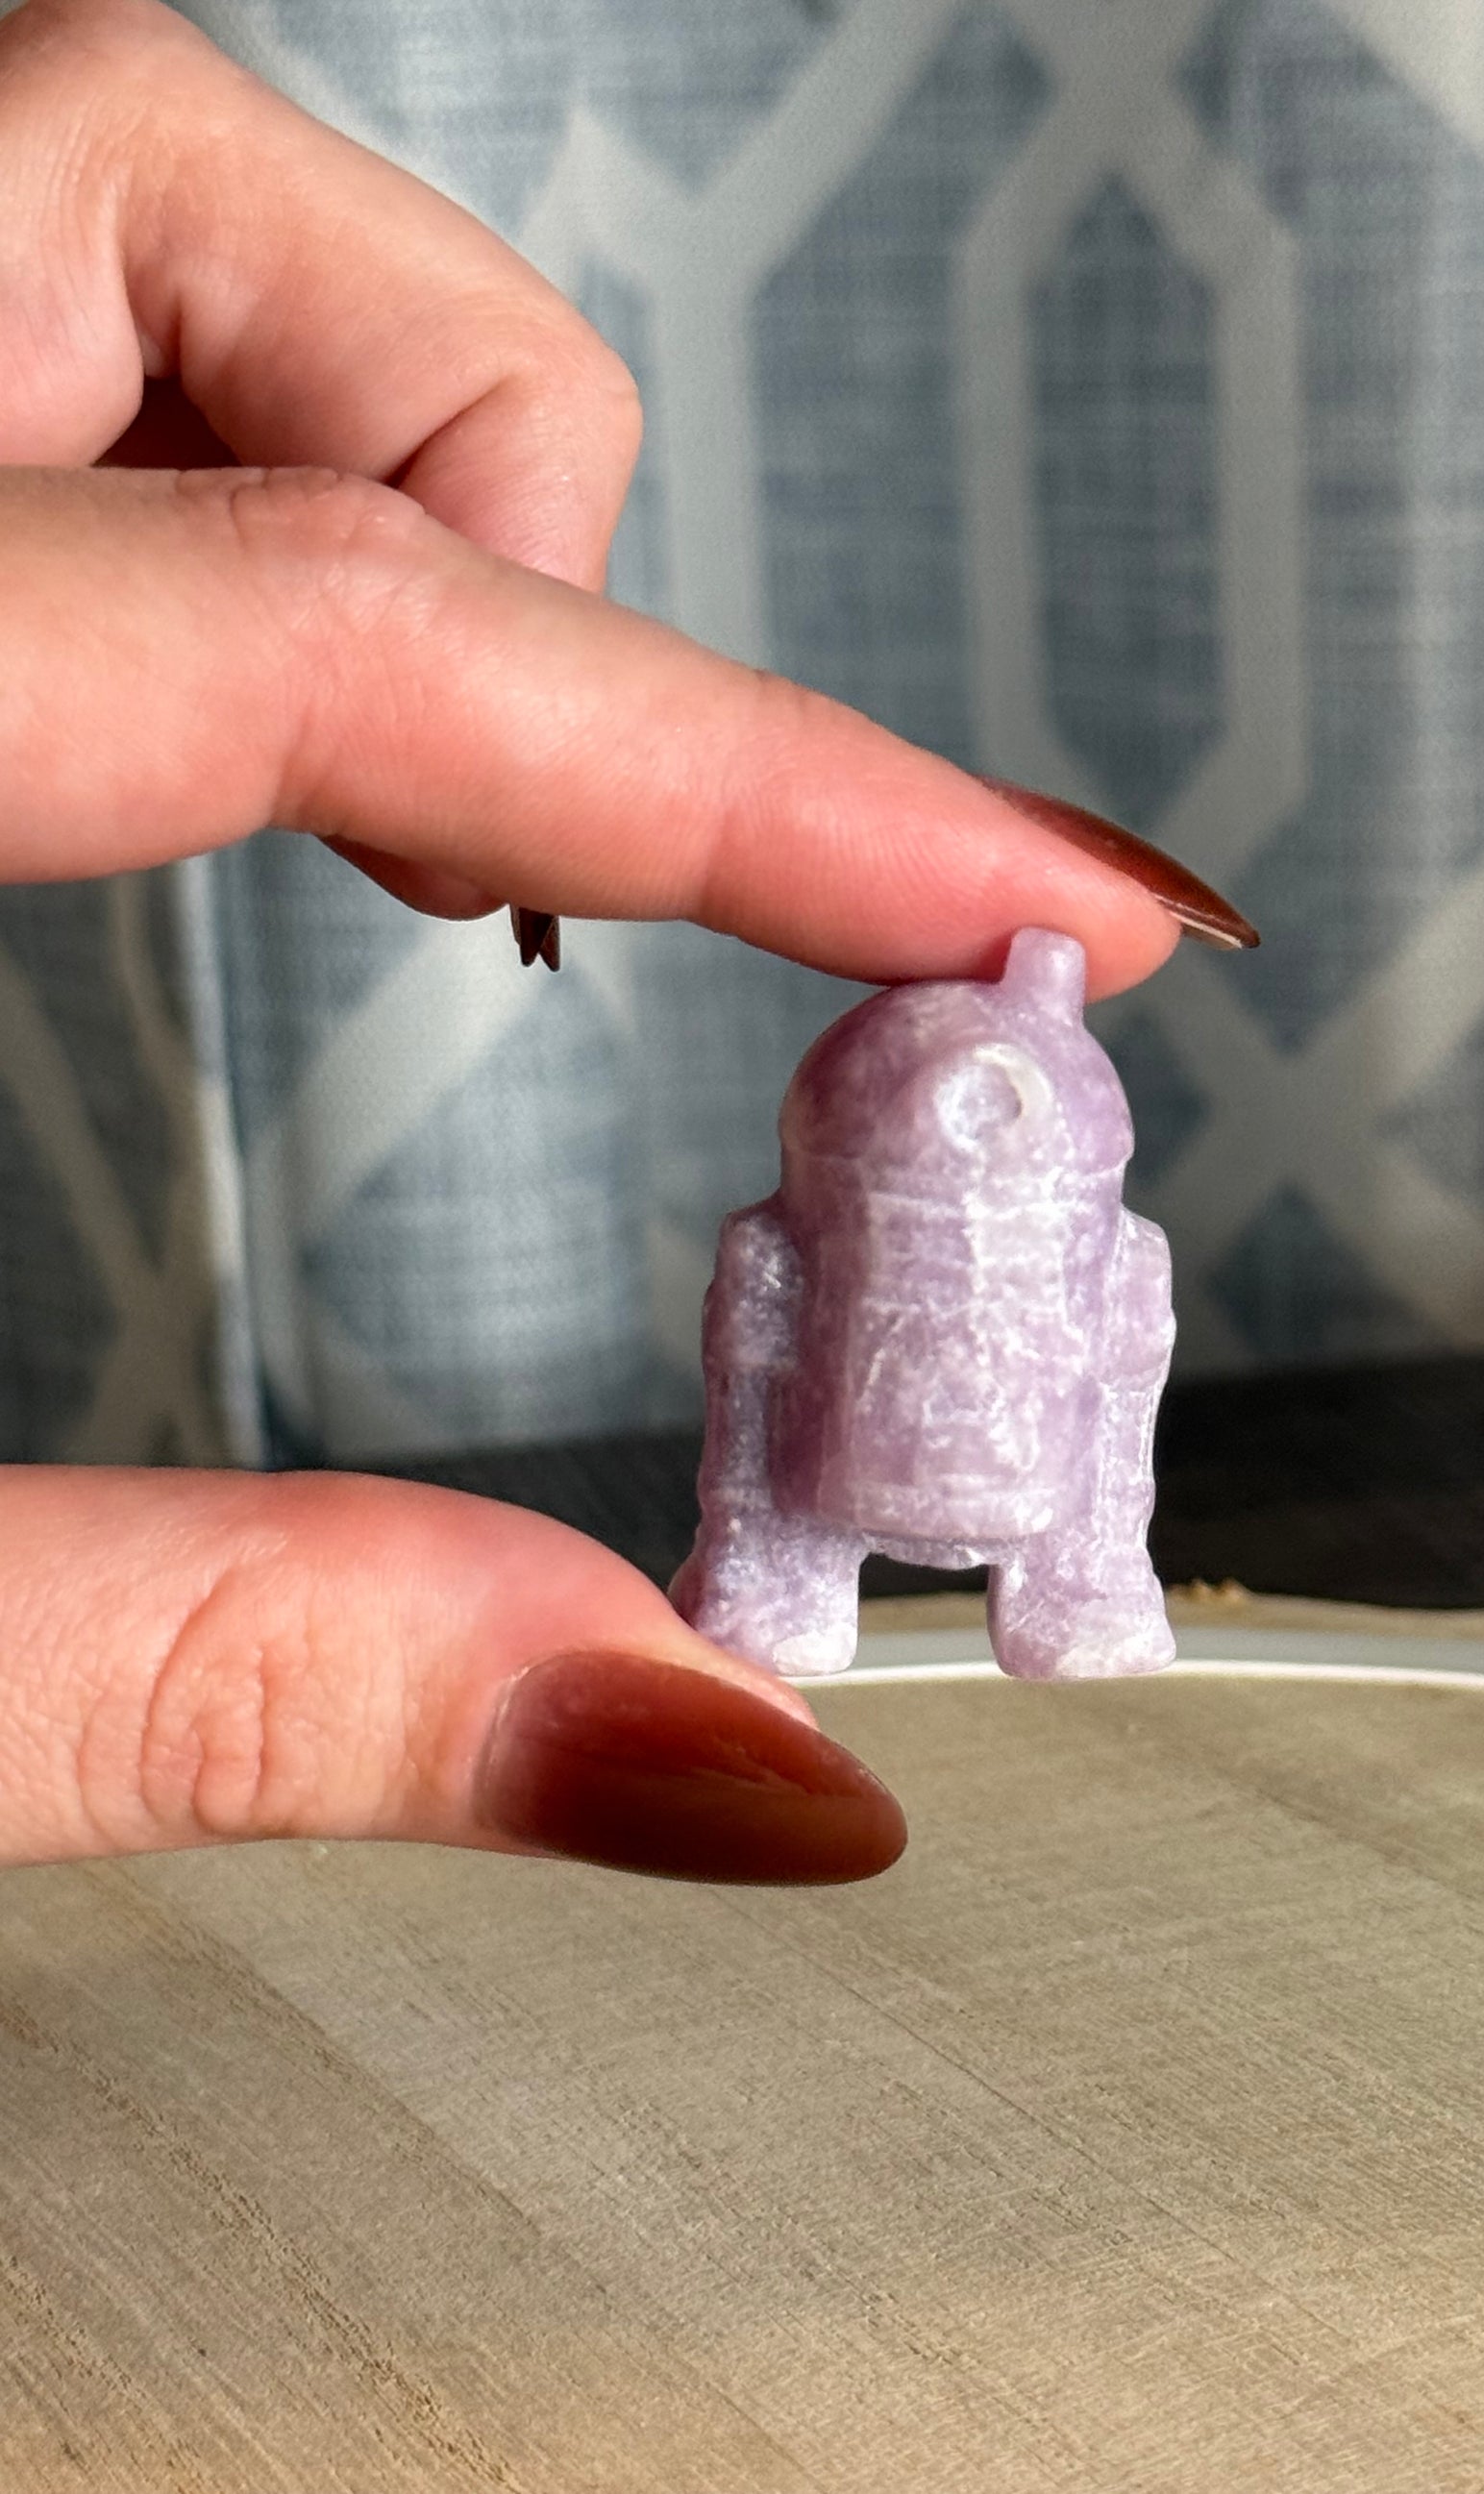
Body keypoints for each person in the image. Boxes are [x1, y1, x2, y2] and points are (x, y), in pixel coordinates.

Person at [0, 0, 1250, 1889]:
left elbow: (1119, 1396)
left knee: (1057, 1494)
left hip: (1039, 1498)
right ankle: (800, 1585)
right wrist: (755, 1545)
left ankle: (1050, 1588)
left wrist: (1088, 1556)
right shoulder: (794, 1246)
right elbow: (760, 1367)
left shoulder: (1110, 1257)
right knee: (785, 1474)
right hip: (818, 1493)